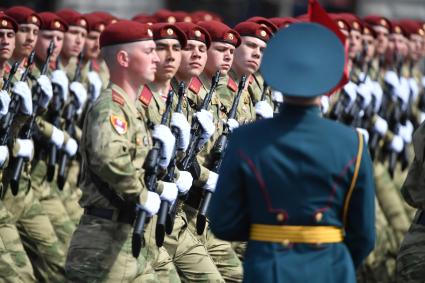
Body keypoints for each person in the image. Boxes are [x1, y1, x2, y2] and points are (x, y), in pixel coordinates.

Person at [209, 22, 376, 283]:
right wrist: (336, 259)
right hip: (331, 268)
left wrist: (267, 235)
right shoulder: (352, 142)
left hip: (268, 267)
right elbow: (364, 234)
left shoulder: (246, 138)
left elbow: (223, 222)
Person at [65, 19, 179, 282]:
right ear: (124, 59)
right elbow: (110, 159)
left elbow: (137, 165)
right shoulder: (110, 108)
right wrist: (143, 195)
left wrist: (160, 183)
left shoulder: (133, 109)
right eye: (149, 52)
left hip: (132, 238)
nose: (157, 59)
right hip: (103, 244)